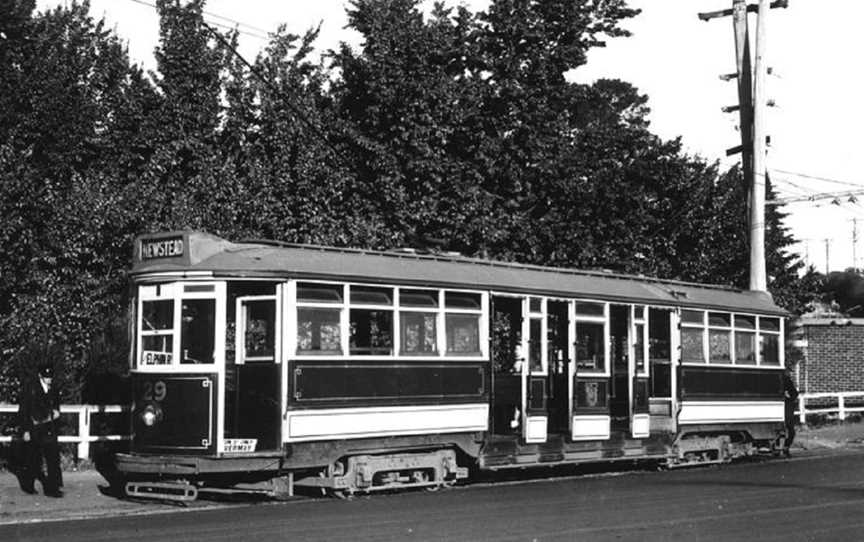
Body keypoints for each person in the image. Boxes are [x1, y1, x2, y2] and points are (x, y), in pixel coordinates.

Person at [18, 364, 63, 497]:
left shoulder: (54, 389)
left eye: (50, 376)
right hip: (35, 428)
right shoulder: (30, 389)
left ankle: (53, 489)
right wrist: (25, 430)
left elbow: (56, 406)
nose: (49, 379)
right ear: (40, 376)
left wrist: (57, 414)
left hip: (49, 428)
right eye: (46, 377)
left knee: (53, 459)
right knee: (33, 459)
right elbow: (24, 410)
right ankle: (28, 486)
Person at [783, 370, 800, 451]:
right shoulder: (787, 380)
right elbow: (795, 393)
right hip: (787, 408)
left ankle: (784, 446)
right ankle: (786, 447)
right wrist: (789, 397)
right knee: (790, 430)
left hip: (785, 408)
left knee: (788, 430)